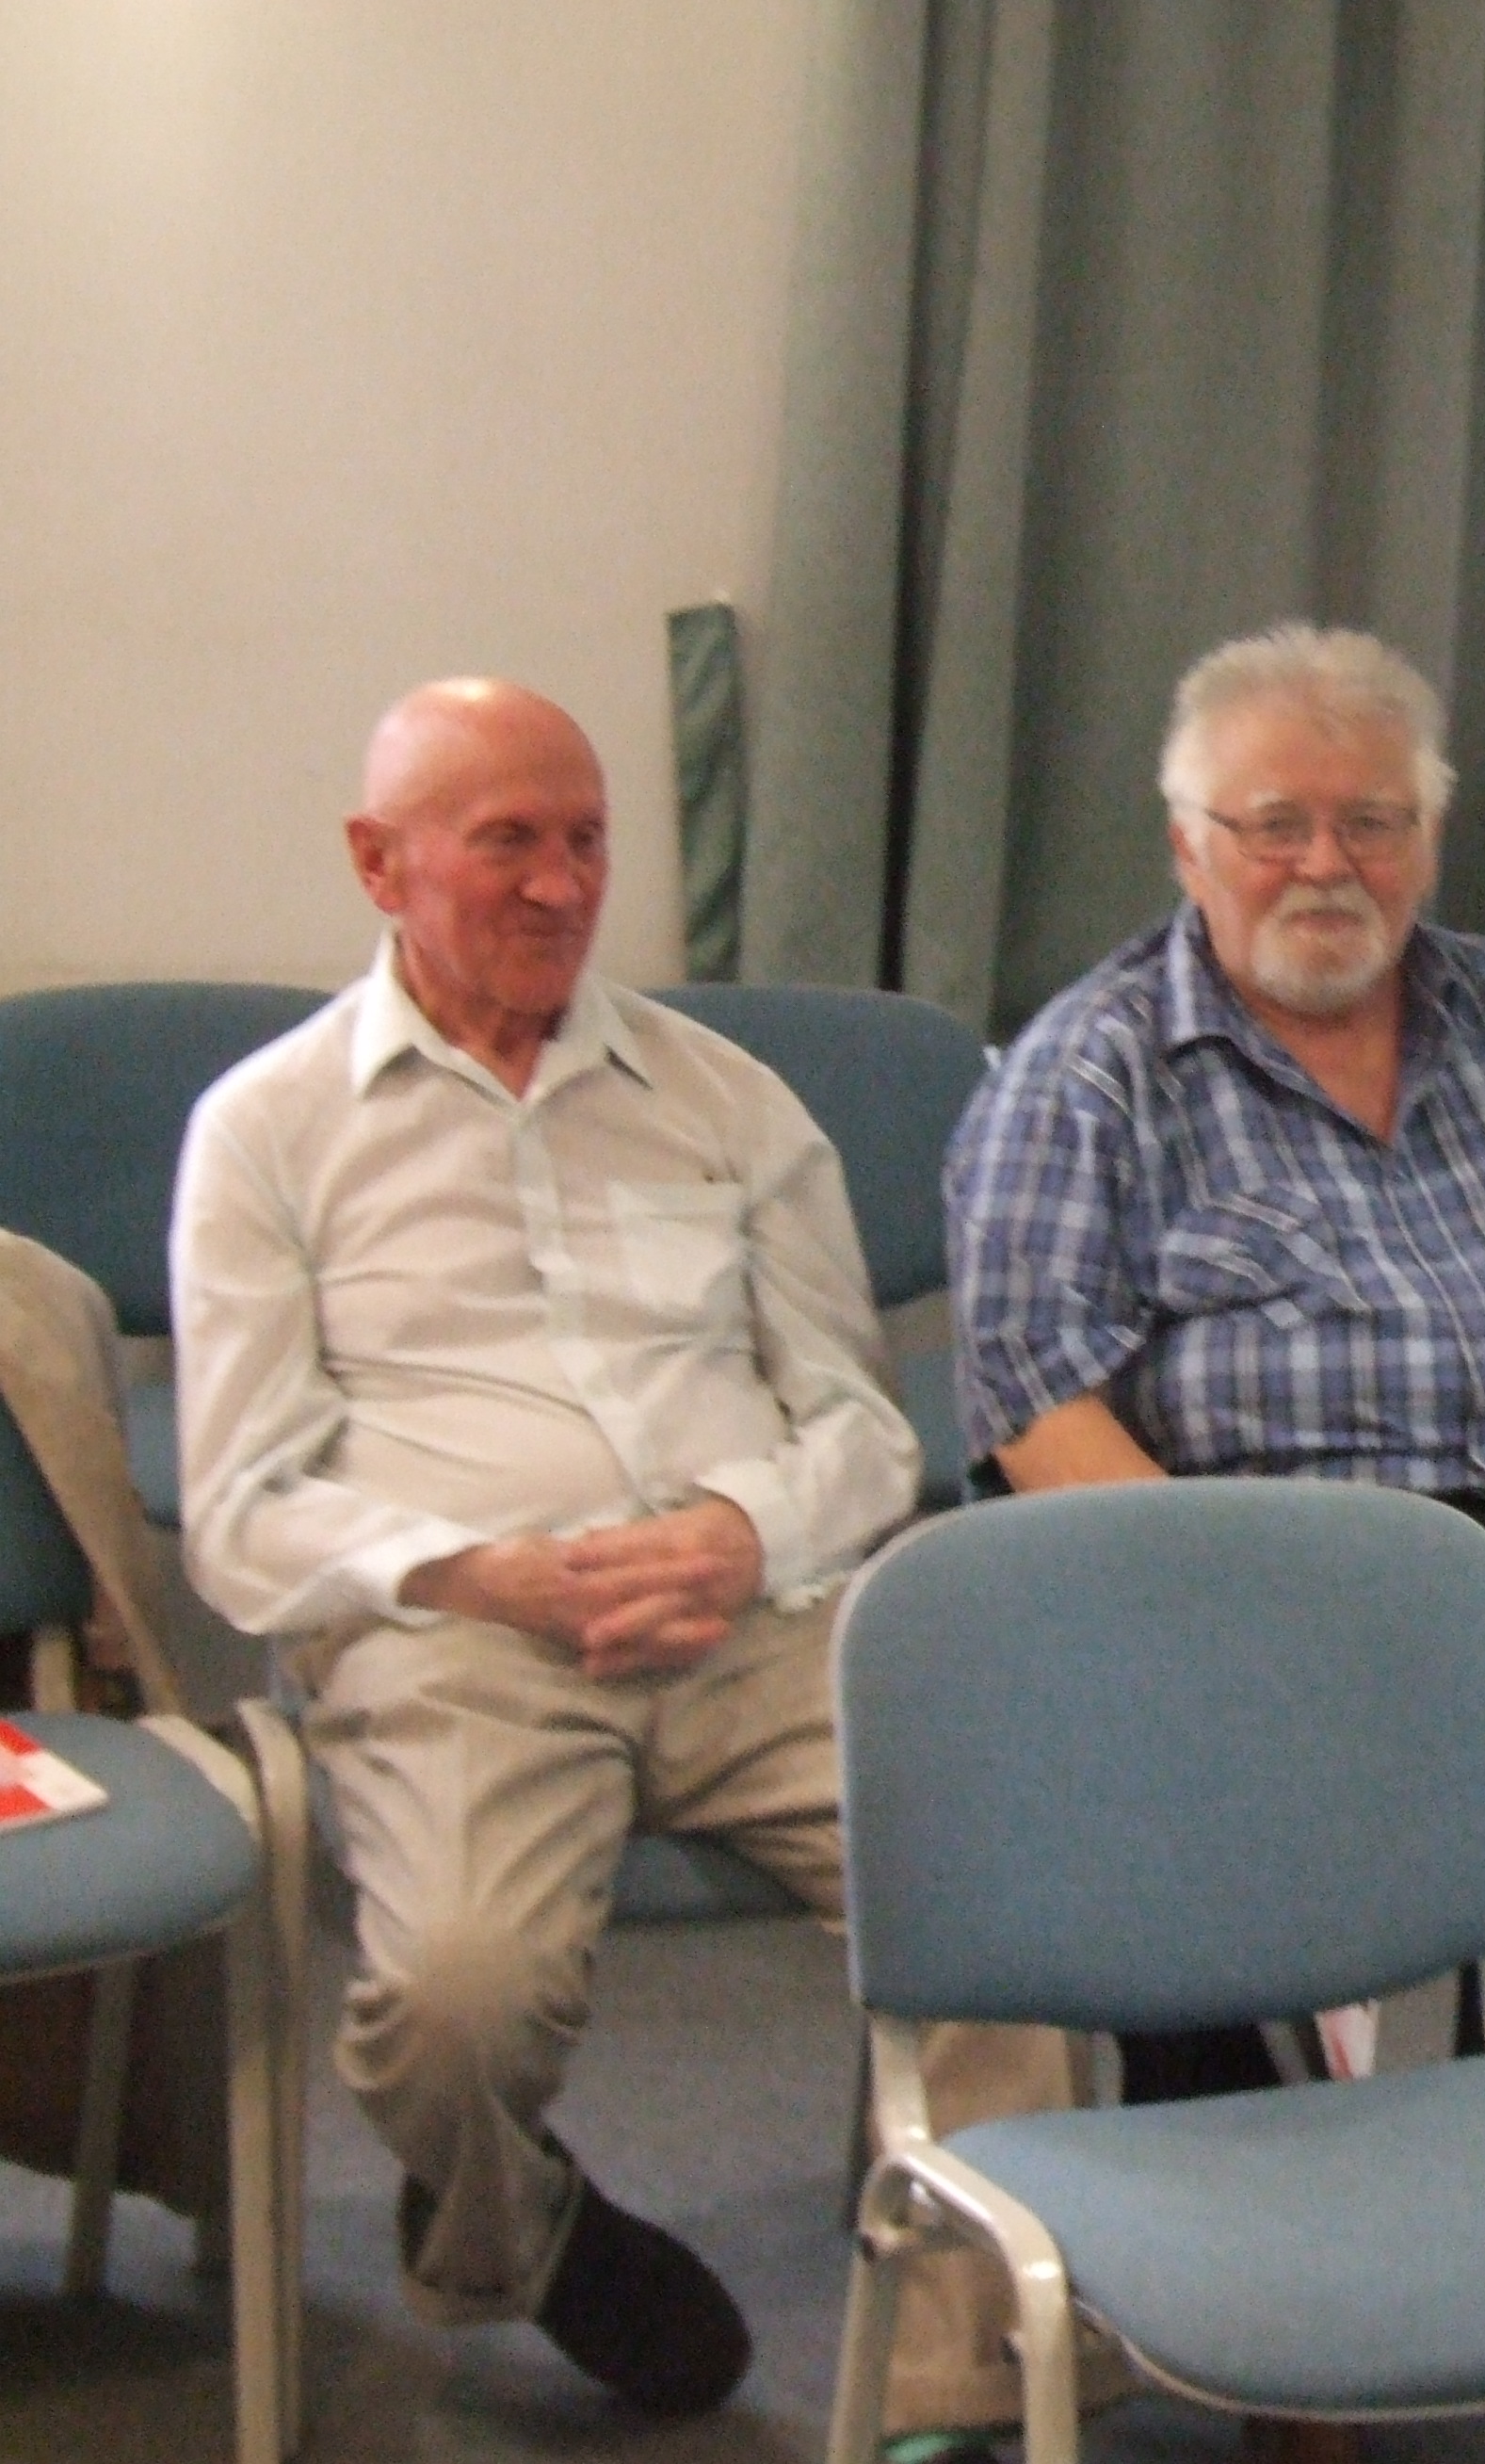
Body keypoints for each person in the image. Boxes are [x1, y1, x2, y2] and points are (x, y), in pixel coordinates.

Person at [172, 681, 924, 2416]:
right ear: (380, 864)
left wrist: (740, 1533)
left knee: (1020, 1909)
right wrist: (468, 1569)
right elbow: (243, 1500)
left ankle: (959, 2375)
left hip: (758, 1624)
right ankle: (530, 2227)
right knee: (454, 2008)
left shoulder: (727, 1100)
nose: (562, 884)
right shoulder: (270, 1129)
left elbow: (863, 1424)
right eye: (507, 839)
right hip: (466, 1645)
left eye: (587, 839)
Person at [945, 622, 1485, 2070]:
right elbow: (1032, 1394)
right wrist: (1233, 1623)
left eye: (1372, 822)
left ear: (1426, 840)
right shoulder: (1090, 1068)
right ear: (1188, 848)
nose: (1327, 864)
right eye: (1275, 826)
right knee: (1318, 2017)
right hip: (1288, 1588)